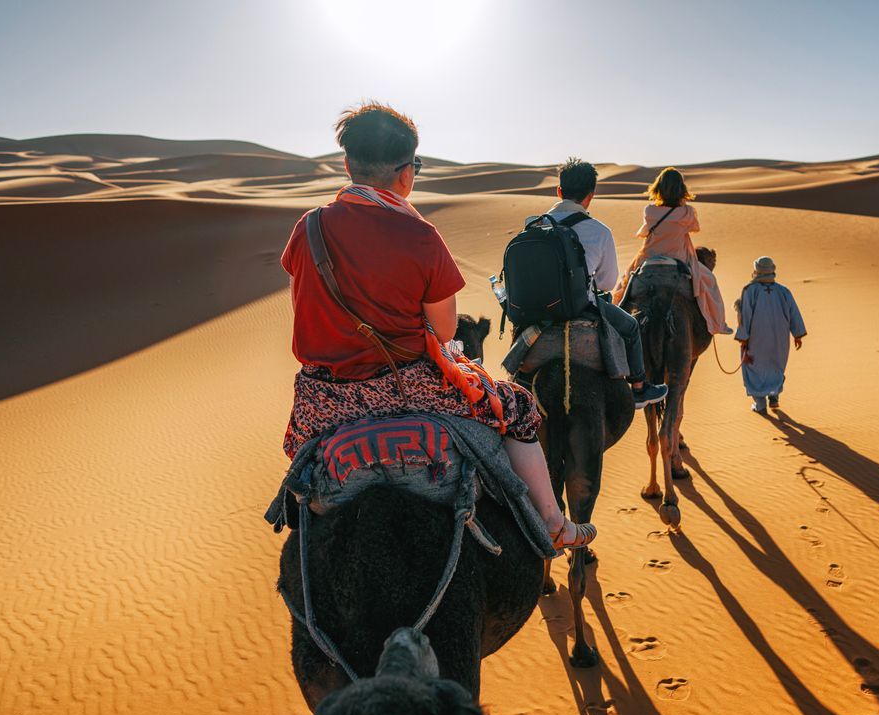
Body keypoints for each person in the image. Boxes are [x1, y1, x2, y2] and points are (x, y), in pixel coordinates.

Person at [279, 101, 596, 550]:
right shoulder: (421, 236)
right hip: (410, 387)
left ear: (348, 164)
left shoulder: (307, 228)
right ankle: (552, 521)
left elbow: (303, 302)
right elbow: (445, 332)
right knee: (520, 407)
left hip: (324, 397)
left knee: (300, 471)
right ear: (407, 173)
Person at [528, 158, 668, 408]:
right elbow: (607, 282)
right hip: (580, 306)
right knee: (631, 327)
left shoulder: (533, 227)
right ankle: (638, 387)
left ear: (559, 191)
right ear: (591, 196)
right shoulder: (599, 231)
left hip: (535, 310)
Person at [622, 167, 731, 335]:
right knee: (709, 281)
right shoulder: (687, 212)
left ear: (658, 188)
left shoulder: (649, 211)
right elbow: (694, 228)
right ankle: (718, 324)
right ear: (681, 189)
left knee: (623, 284)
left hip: (649, 260)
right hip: (678, 260)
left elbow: (644, 232)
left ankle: (615, 318)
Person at [734, 256, 808, 414]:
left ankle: (760, 404)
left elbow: (745, 315)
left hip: (756, 338)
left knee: (754, 367)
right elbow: (794, 313)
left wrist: (743, 337)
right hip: (779, 337)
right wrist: (797, 334)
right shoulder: (783, 291)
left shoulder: (749, 290)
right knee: (775, 365)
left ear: (756, 271)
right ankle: (773, 396)